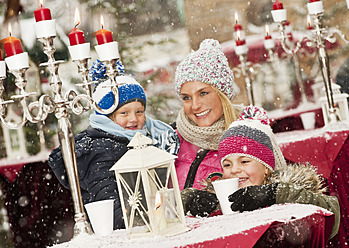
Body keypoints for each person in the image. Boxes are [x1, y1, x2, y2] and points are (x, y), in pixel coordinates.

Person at [48, 61, 180, 230]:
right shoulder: (102, 151)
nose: (133, 119)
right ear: (106, 117)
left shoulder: (140, 140)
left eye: (139, 111)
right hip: (127, 233)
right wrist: (161, 212)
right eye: (124, 113)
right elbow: (115, 213)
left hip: (145, 227)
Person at [182, 106, 340, 239]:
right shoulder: (220, 197)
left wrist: (276, 194)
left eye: (244, 161)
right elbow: (166, 211)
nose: (235, 170)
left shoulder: (287, 190)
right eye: (227, 164)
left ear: (266, 168)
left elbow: (332, 214)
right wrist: (188, 200)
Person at [173, 38, 287, 191]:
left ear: (222, 94)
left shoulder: (251, 132)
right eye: (186, 97)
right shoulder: (171, 141)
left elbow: (276, 189)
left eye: (203, 93)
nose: (195, 105)